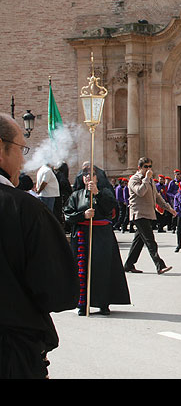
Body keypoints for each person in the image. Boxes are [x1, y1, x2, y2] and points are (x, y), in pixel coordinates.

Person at [0, 113, 78, 378]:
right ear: (1, 148)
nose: (23, 159)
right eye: (21, 149)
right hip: (13, 352)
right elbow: (57, 291)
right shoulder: (24, 209)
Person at [64, 167, 131, 316]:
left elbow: (111, 209)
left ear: (97, 178)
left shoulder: (105, 192)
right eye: (85, 175)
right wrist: (83, 215)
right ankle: (82, 304)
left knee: (102, 269)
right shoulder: (76, 195)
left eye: (91, 175)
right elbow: (67, 216)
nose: (88, 177)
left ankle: (103, 303)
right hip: (83, 236)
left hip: (102, 237)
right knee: (83, 270)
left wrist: (97, 194)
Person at [123, 157, 176, 274]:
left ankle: (128, 264)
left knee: (138, 242)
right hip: (139, 214)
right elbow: (140, 192)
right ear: (139, 168)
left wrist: (169, 208)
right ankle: (159, 265)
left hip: (148, 214)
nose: (148, 169)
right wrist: (146, 178)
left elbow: (157, 196)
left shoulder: (150, 180)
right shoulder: (134, 179)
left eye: (149, 166)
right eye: (145, 167)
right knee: (150, 241)